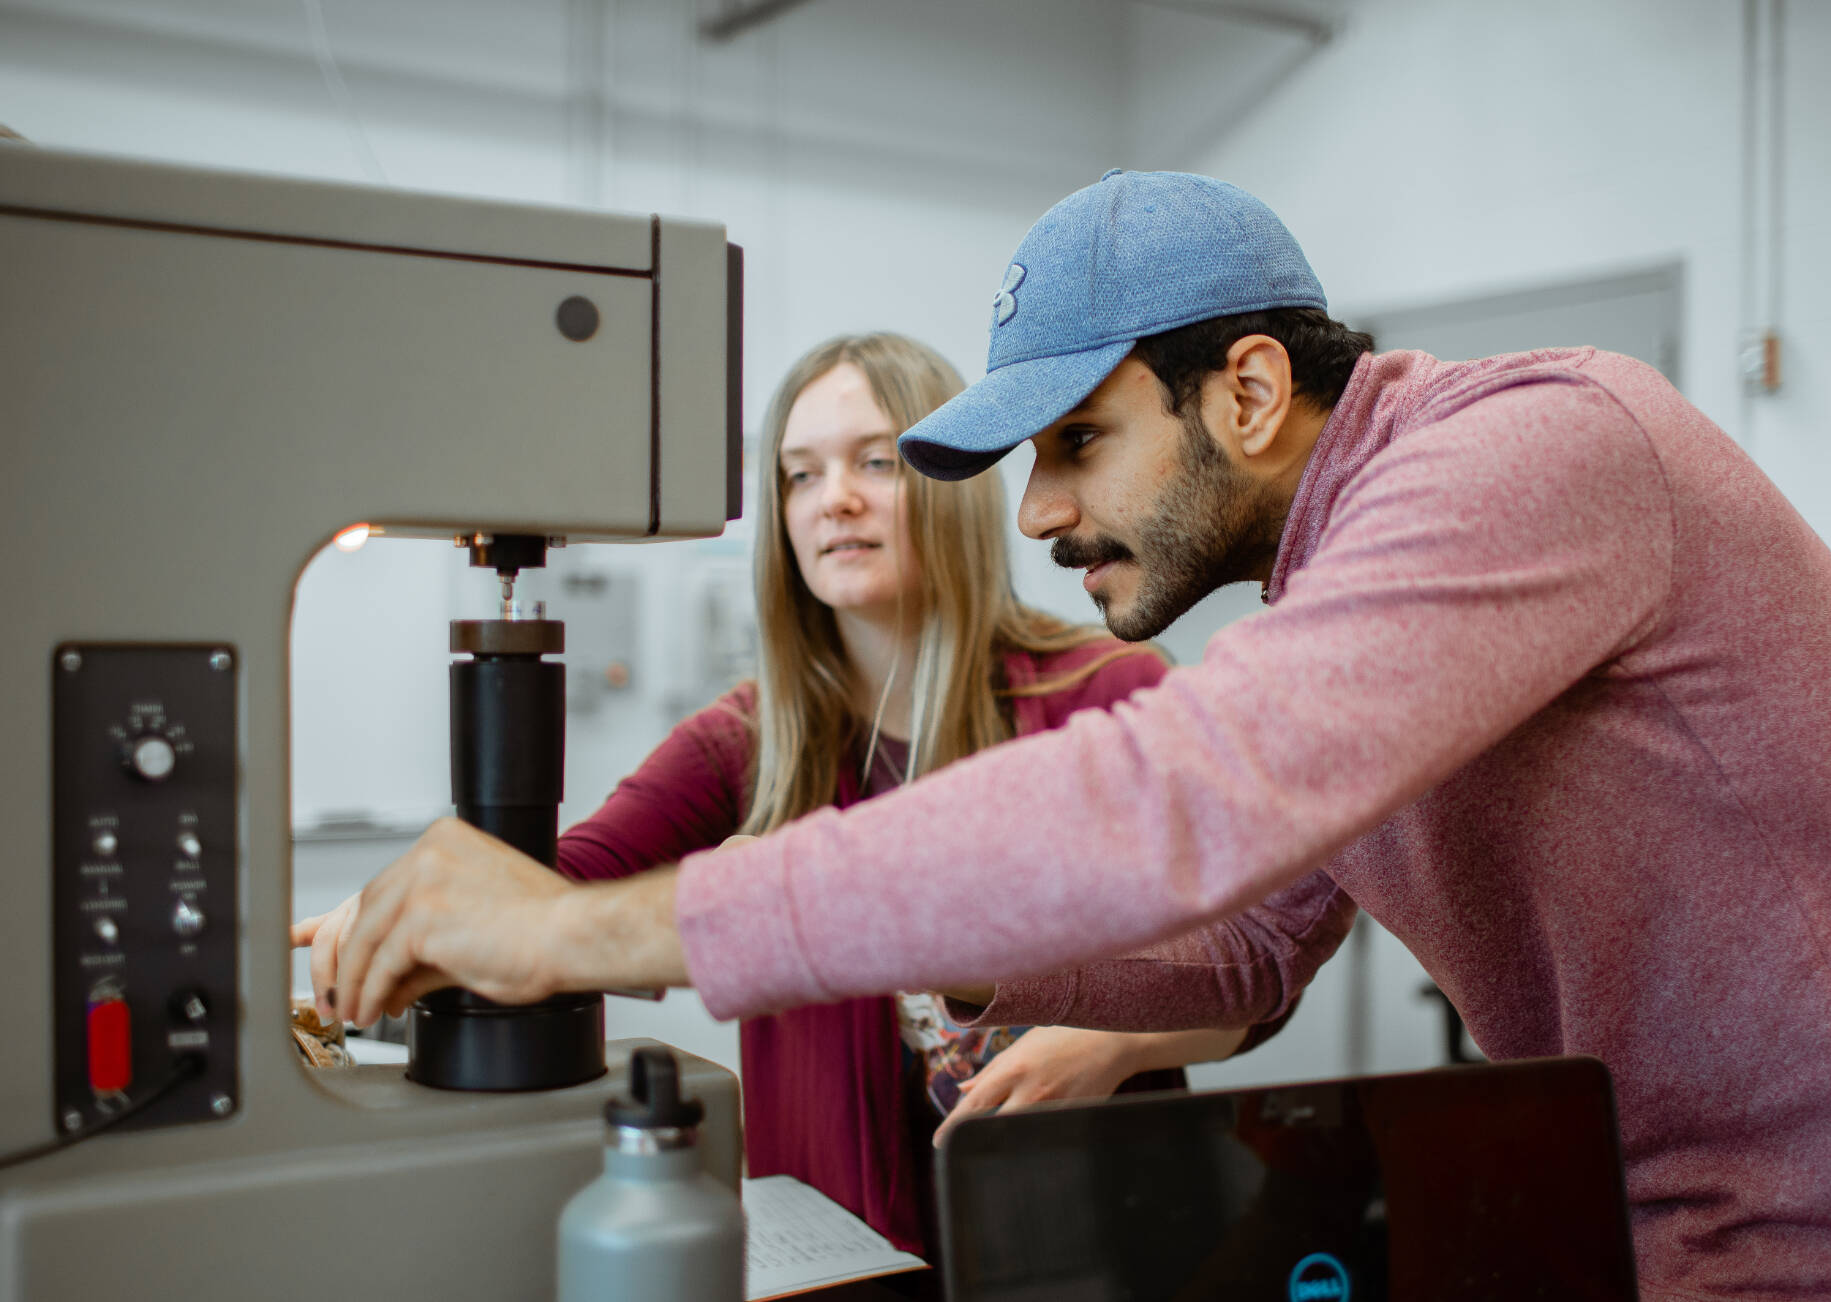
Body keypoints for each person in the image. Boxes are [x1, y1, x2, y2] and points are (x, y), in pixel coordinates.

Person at [309, 170, 1831, 1300]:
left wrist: (567, 930)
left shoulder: (1539, 454)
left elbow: (1180, 800)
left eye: (1080, 444)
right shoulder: (1337, 578)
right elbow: (1259, 939)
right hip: (1633, 1228)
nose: (1037, 511)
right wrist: (999, 972)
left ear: (1248, 393)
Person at [297, 331, 1293, 1258]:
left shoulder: (1104, 696)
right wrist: (410, 910)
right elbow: (557, 885)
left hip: (1103, 1239)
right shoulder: (743, 738)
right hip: (847, 1247)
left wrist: (1104, 1046)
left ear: (950, 480)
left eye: (873, 461)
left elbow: (1255, 973)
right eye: (799, 475)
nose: (833, 500)